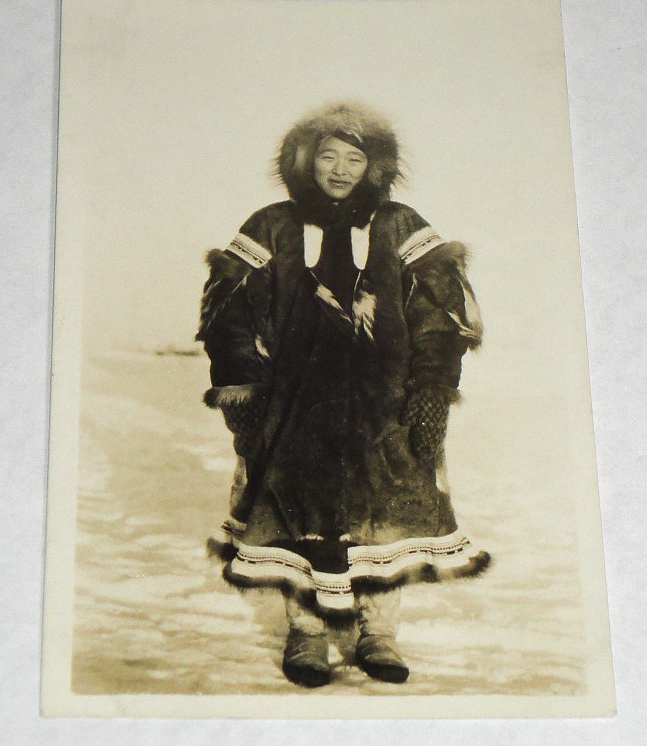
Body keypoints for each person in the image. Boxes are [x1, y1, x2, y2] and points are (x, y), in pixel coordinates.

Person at [196, 101, 490, 687]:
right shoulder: (272, 225)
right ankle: (307, 636)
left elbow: (439, 310)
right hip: (294, 405)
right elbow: (228, 308)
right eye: (327, 155)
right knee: (297, 516)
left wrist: (432, 386)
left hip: (385, 402)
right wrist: (241, 385)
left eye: (353, 158)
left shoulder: (399, 223)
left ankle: (378, 634)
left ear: (372, 166)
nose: (338, 168)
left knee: (387, 516)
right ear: (304, 160)